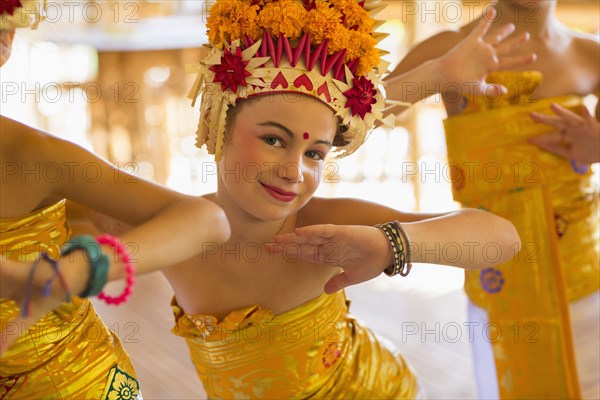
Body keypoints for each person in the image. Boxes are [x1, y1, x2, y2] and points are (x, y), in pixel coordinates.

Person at [160, 0, 523, 397]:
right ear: (217, 123)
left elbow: (501, 238)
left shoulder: (320, 227)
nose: (294, 172)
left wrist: (392, 244)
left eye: (314, 154)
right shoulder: (169, 229)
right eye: (272, 140)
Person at [0, 1, 230, 398]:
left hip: (72, 384)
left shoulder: (32, 156)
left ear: (6, 39)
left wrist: (76, 271)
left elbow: (206, 220)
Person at [386, 0, 599, 398]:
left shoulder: (591, 54)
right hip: (497, 277)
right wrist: (438, 74)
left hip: (584, 278)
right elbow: (362, 114)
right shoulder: (449, 49)